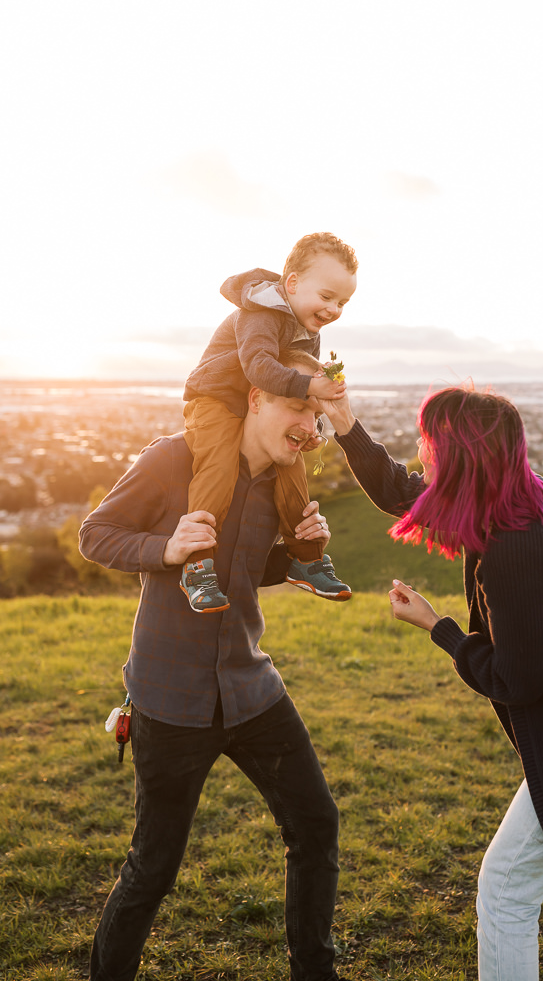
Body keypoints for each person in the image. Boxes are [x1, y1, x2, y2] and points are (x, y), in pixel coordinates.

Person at [319, 383, 543, 981]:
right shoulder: (522, 495)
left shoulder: (516, 546)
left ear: (456, 456)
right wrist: (344, 421)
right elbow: (401, 492)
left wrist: (439, 628)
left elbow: (518, 680)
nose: (421, 452)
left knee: (506, 889)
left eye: (428, 442)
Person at [80, 350, 345, 981]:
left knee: (316, 826)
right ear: (255, 398)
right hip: (170, 701)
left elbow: (248, 571)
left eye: (315, 413)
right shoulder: (175, 458)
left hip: (253, 690)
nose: (308, 425)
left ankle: (315, 972)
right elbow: (96, 533)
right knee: (154, 867)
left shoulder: (285, 481)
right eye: (295, 406)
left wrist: (304, 553)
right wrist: (166, 548)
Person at [180, 231, 358, 613]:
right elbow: (259, 368)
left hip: (259, 407)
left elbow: (299, 390)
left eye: (343, 302)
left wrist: (312, 427)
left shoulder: (306, 330)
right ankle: (197, 564)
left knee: (290, 465)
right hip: (216, 399)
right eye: (327, 297)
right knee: (219, 465)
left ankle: (306, 559)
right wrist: (313, 383)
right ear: (291, 284)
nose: (333, 309)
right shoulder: (260, 312)